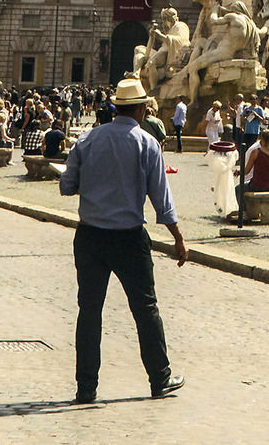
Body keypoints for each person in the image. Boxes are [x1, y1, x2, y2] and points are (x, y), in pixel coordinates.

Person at [57, 76, 187, 404]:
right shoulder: (147, 144)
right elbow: (162, 199)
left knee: (89, 311)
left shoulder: (87, 140)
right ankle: (160, 378)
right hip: (129, 239)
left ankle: (86, 387)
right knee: (145, 308)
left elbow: (66, 185)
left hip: (90, 236)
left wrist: (91, 183)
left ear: (116, 107)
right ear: (142, 109)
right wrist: (178, 239)